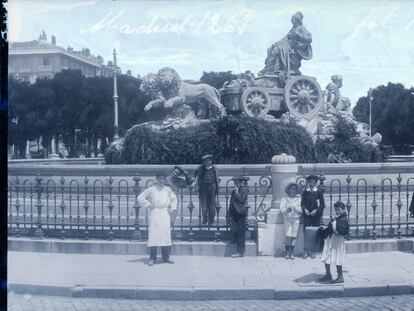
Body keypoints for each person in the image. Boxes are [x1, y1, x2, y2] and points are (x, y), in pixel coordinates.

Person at [137, 171, 178, 266]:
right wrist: (148, 205)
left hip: (165, 213)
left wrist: (172, 209)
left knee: (165, 235)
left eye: (163, 179)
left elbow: (174, 199)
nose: (161, 180)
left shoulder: (167, 189)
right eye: (159, 179)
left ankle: (166, 257)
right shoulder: (151, 189)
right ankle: (152, 258)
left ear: (165, 180)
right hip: (155, 213)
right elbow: (140, 198)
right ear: (156, 179)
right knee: (154, 235)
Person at [258, 11, 312, 77]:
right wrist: (276, 43)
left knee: (276, 50)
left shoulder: (302, 28)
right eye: (292, 19)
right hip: (286, 46)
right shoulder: (293, 29)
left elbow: (309, 39)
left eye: (294, 19)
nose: (292, 21)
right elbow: (284, 39)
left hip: (292, 49)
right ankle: (268, 69)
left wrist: (298, 35)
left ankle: (269, 70)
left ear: (297, 20)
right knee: (270, 49)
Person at [319, 201, 350, 283]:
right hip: (331, 238)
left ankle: (340, 277)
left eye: (339, 210)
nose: (337, 211)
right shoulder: (336, 218)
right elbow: (331, 228)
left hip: (338, 240)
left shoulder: (344, 219)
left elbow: (342, 232)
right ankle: (328, 274)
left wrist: (334, 226)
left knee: (338, 257)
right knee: (326, 255)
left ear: (343, 210)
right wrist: (325, 228)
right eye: (336, 210)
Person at [301, 175, 325, 259]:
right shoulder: (305, 192)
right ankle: (306, 251)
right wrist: (305, 210)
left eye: (313, 182)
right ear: (308, 182)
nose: (311, 184)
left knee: (315, 233)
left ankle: (313, 251)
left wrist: (316, 211)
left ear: (315, 183)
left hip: (315, 216)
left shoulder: (319, 192)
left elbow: (322, 205)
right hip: (307, 216)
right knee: (306, 233)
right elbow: (302, 204)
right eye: (310, 182)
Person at [194, 154, 219, 225]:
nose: (207, 162)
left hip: (212, 187)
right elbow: (196, 175)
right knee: (204, 205)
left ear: (211, 161)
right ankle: (204, 220)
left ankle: (212, 220)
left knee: (212, 205)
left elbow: (216, 178)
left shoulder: (214, 168)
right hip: (203, 188)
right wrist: (196, 185)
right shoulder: (201, 168)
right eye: (205, 161)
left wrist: (217, 187)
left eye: (208, 161)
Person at [228, 175, 250, 258]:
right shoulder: (234, 191)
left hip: (241, 213)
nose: (236, 184)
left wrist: (237, 192)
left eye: (238, 182)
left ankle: (240, 252)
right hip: (234, 213)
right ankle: (234, 242)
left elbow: (241, 200)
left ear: (241, 182)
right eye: (235, 182)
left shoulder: (244, 189)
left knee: (241, 232)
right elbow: (232, 201)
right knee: (235, 230)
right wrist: (229, 211)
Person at [280, 182, 302, 260]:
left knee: (294, 235)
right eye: (291, 189)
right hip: (287, 219)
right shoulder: (284, 199)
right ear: (288, 190)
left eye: (295, 189)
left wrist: (295, 208)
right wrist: (287, 210)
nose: (293, 190)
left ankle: (291, 253)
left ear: (296, 191)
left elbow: (301, 209)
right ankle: (287, 252)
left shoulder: (299, 199)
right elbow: (282, 209)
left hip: (296, 218)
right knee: (288, 235)